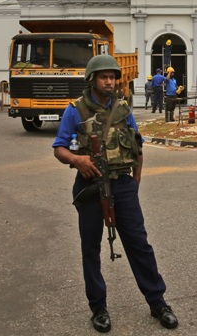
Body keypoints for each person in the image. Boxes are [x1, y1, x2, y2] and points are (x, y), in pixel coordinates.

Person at [52, 55, 178, 333]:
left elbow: (138, 146)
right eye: (103, 77)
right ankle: (98, 308)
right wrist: (77, 160)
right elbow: (60, 147)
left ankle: (158, 302)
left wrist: (135, 182)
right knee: (90, 248)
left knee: (139, 245)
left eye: (112, 77)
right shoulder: (75, 110)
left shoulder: (123, 108)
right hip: (90, 185)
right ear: (92, 79)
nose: (109, 81)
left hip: (122, 185)